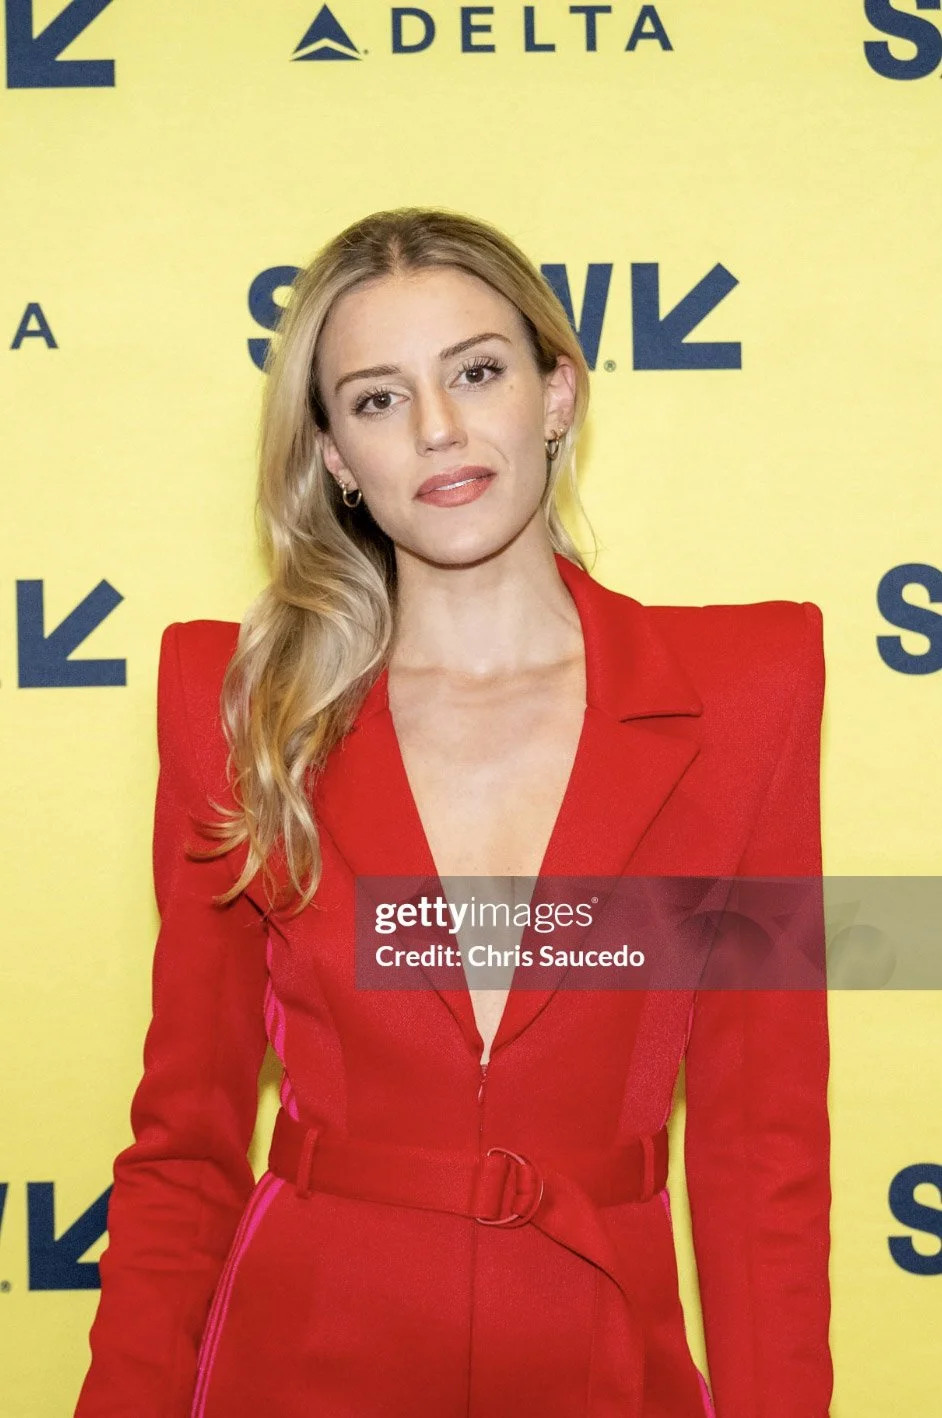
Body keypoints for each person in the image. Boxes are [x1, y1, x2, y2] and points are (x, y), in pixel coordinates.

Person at [74, 207, 832, 1417]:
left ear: (556, 393)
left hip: (602, 1364)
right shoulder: (238, 705)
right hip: (301, 1359)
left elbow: (764, 1156)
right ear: (332, 456)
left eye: (477, 372)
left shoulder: (750, 689)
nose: (437, 429)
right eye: (376, 399)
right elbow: (186, 1144)